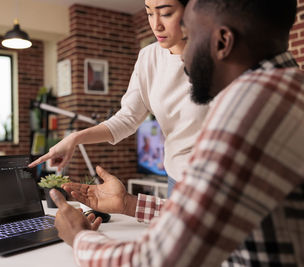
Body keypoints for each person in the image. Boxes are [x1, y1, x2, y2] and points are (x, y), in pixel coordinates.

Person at [49, 0, 304, 266]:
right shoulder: (286, 87)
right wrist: (129, 204)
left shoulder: (249, 111)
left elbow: (160, 258)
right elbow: (206, 219)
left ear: (222, 42)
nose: (182, 57)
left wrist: (79, 237)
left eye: (192, 35)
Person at [29, 0, 209, 196]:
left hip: (215, 177)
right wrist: (74, 138)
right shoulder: (149, 57)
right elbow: (128, 117)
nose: (156, 25)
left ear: (191, 11)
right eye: (149, 14)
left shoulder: (219, 57)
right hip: (176, 176)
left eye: (165, 13)